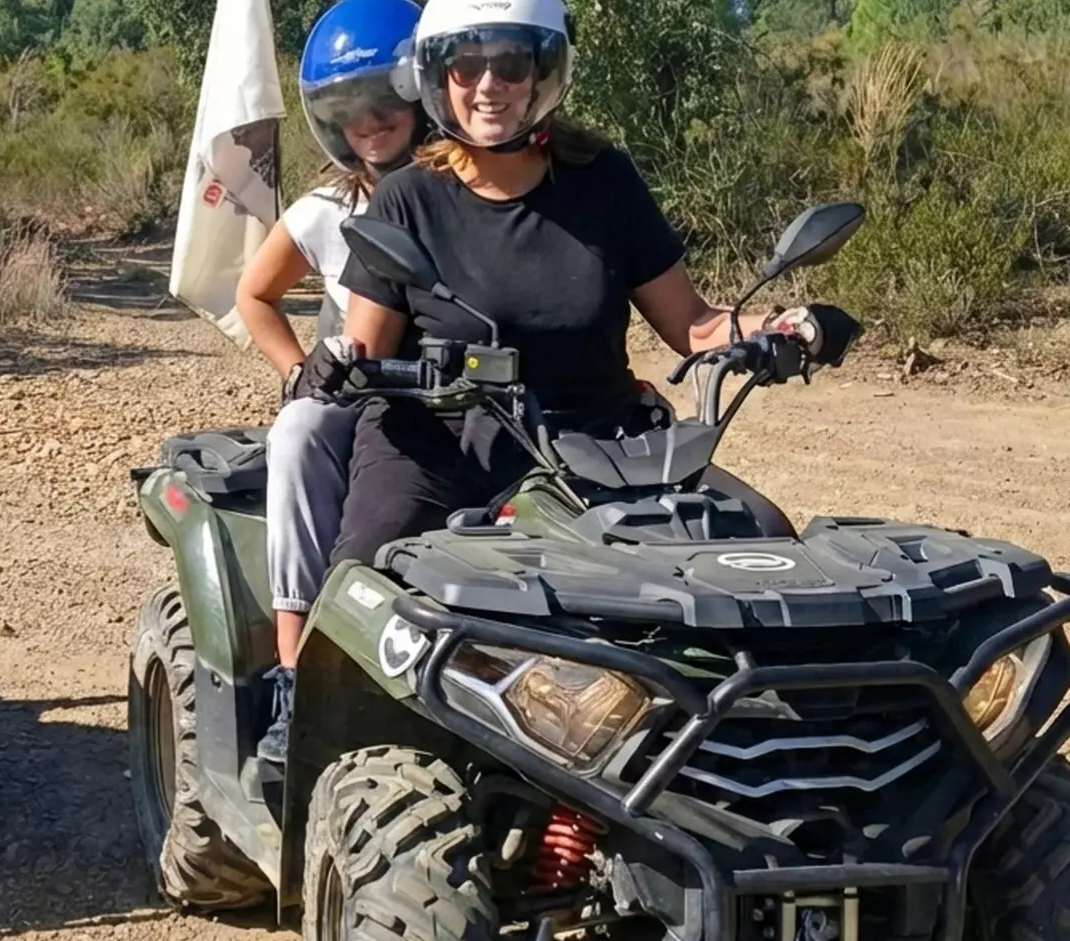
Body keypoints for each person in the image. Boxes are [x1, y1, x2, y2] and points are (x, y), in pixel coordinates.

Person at [263, 0, 853, 762]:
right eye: (465, 66)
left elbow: (694, 325)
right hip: (441, 442)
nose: (486, 85)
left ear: (543, 72)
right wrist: (331, 364)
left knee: (762, 538)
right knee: (365, 581)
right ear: (437, 78)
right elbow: (366, 351)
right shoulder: (409, 195)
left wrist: (783, 327)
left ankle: (773, 755)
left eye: (508, 63)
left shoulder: (602, 181)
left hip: (603, 442)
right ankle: (312, 733)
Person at [238, 0, 428, 764]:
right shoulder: (327, 209)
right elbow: (254, 293)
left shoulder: (466, 190)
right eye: (351, 111)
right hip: (361, 391)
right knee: (301, 432)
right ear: (330, 122)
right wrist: (299, 370)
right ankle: (293, 671)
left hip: (466, 393)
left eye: (386, 100)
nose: (372, 121)